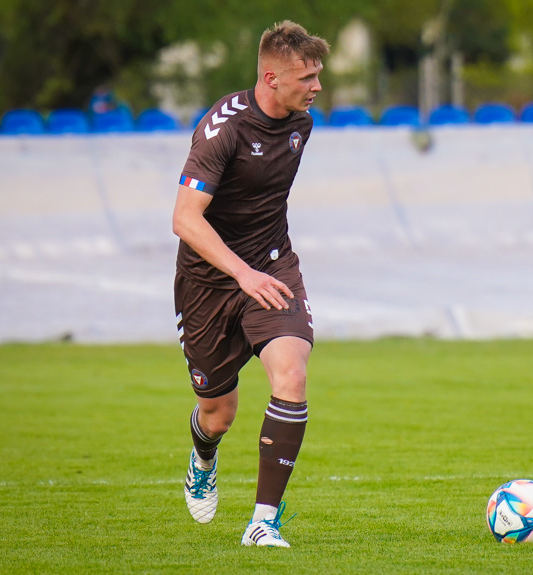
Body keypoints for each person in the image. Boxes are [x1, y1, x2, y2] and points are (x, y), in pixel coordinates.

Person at [172, 20, 329, 548]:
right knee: (219, 414)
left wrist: (261, 268)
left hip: (273, 265)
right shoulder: (221, 130)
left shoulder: (301, 123)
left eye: (318, 75)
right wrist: (241, 273)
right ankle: (203, 456)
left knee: (291, 374)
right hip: (210, 282)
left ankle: (263, 521)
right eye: (307, 77)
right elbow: (185, 219)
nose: (317, 87)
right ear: (270, 77)